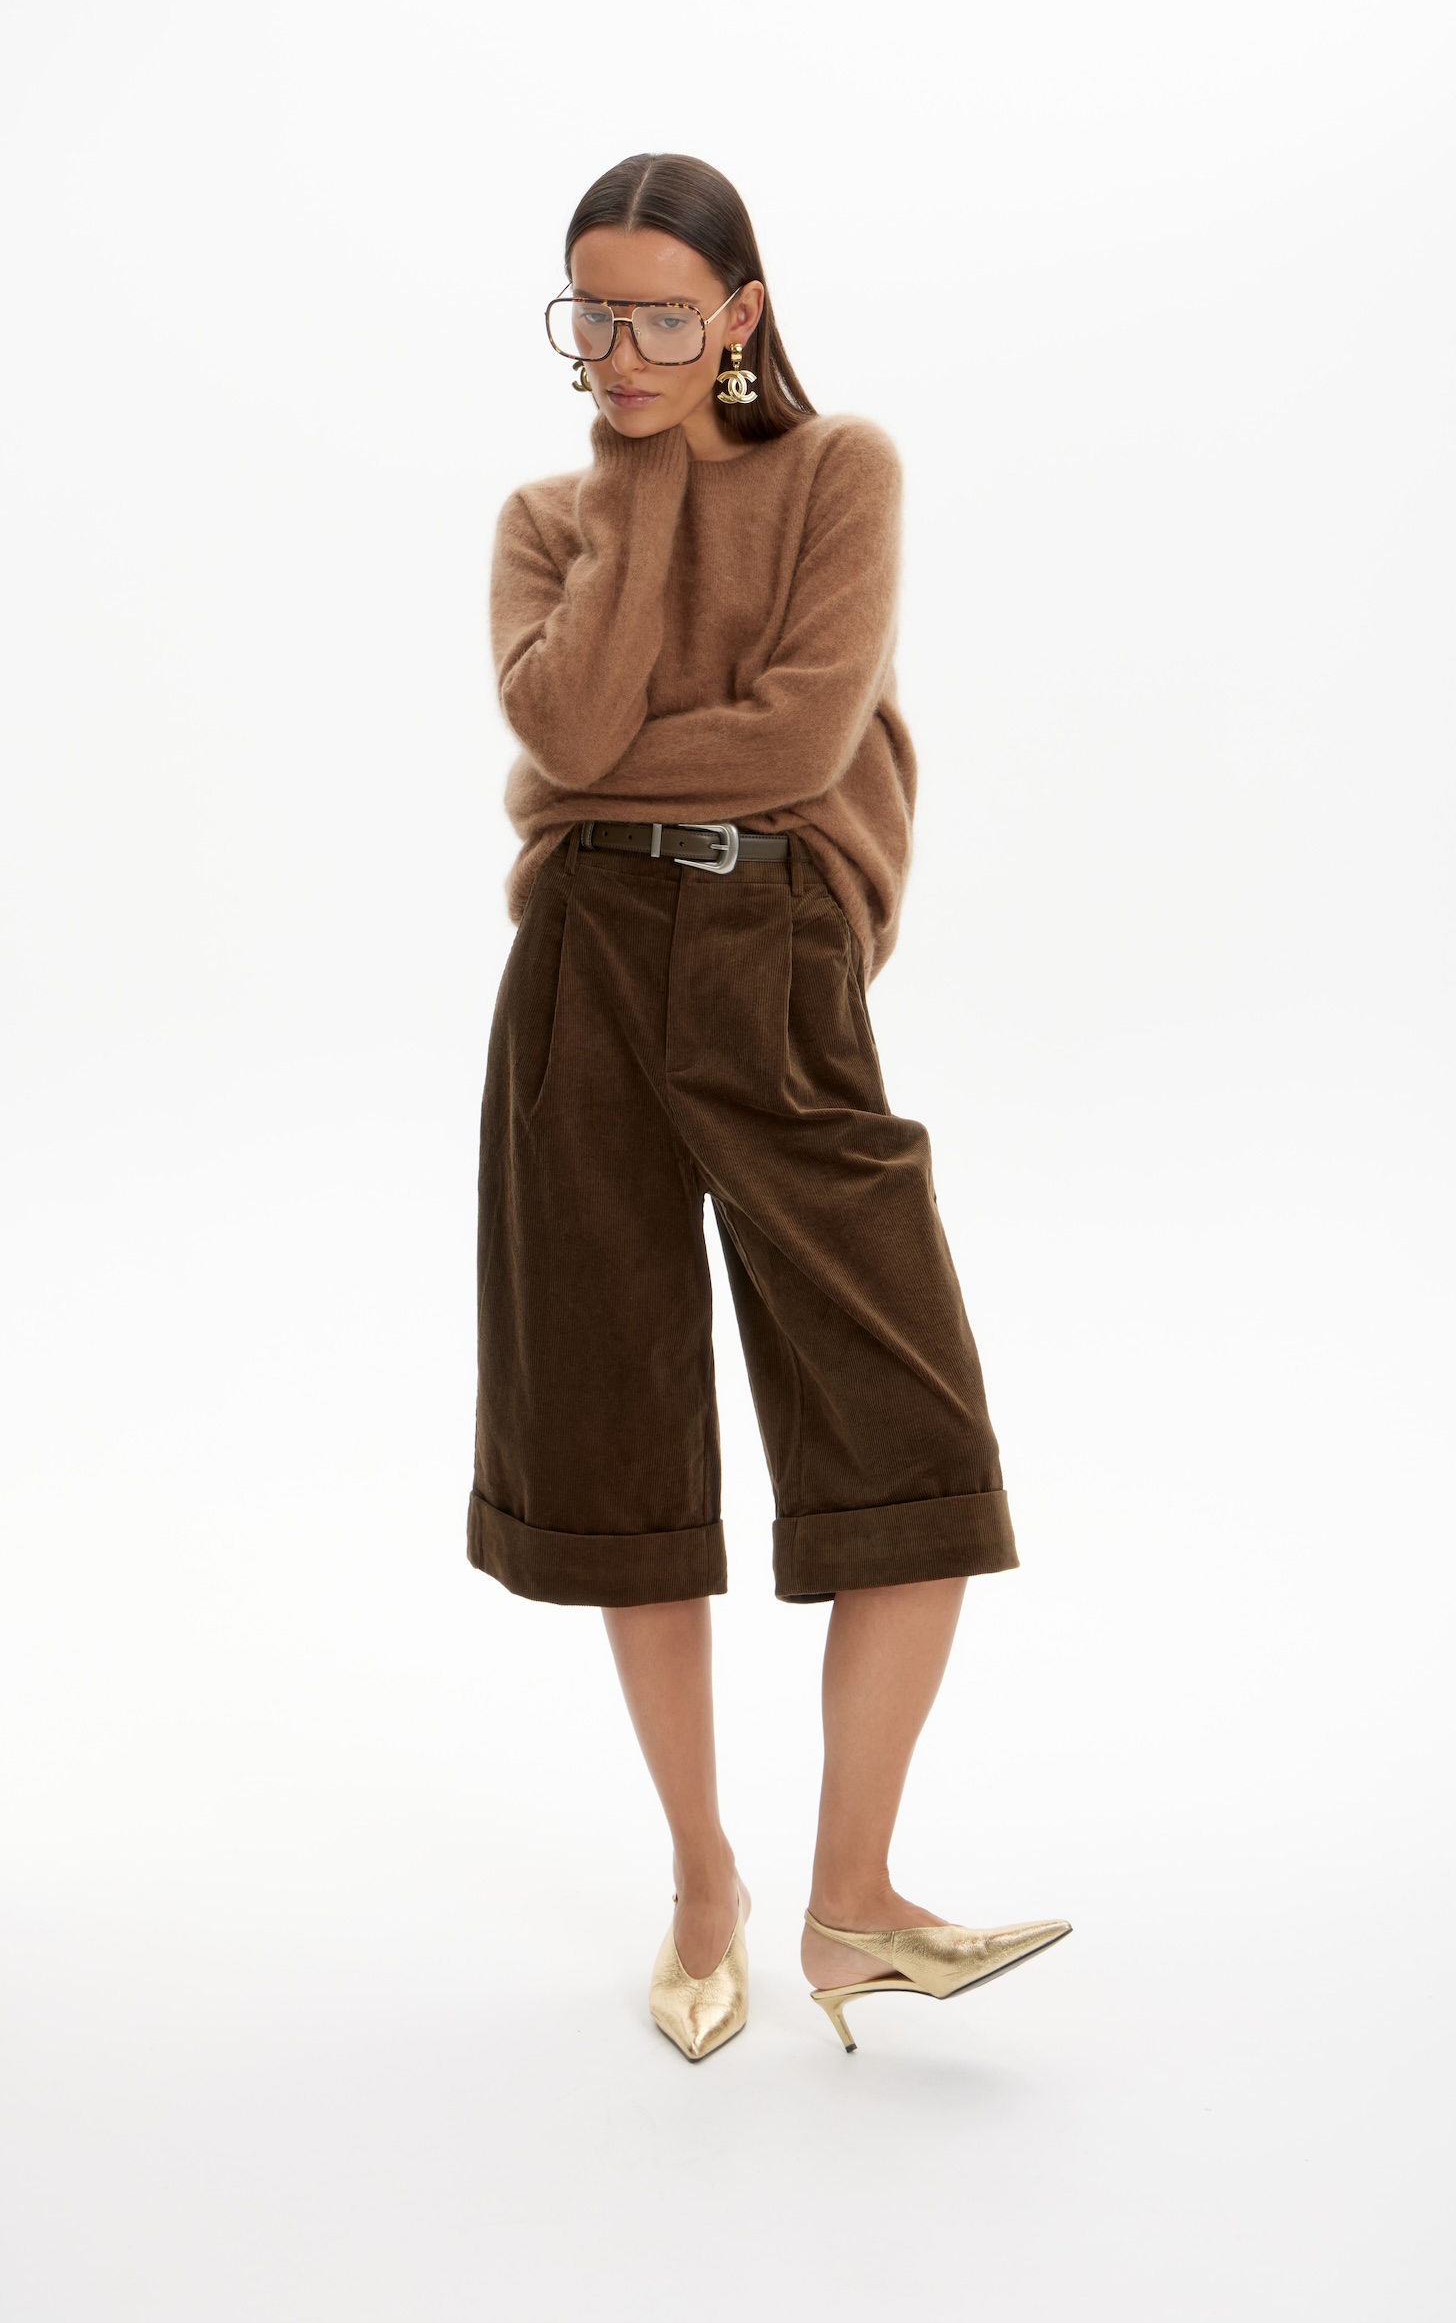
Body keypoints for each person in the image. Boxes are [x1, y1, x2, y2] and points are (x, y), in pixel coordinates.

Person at [468, 152, 1068, 2058]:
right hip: (582, 968)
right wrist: (637, 484)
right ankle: (700, 1880)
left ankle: (852, 1899)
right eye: (592, 314)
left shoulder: (837, 475)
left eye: (663, 314)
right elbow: (569, 736)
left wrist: (620, 765)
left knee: (913, 1427)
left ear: (739, 313)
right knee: (622, 1441)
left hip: (774, 952)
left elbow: (804, 734)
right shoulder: (550, 518)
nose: (621, 352)